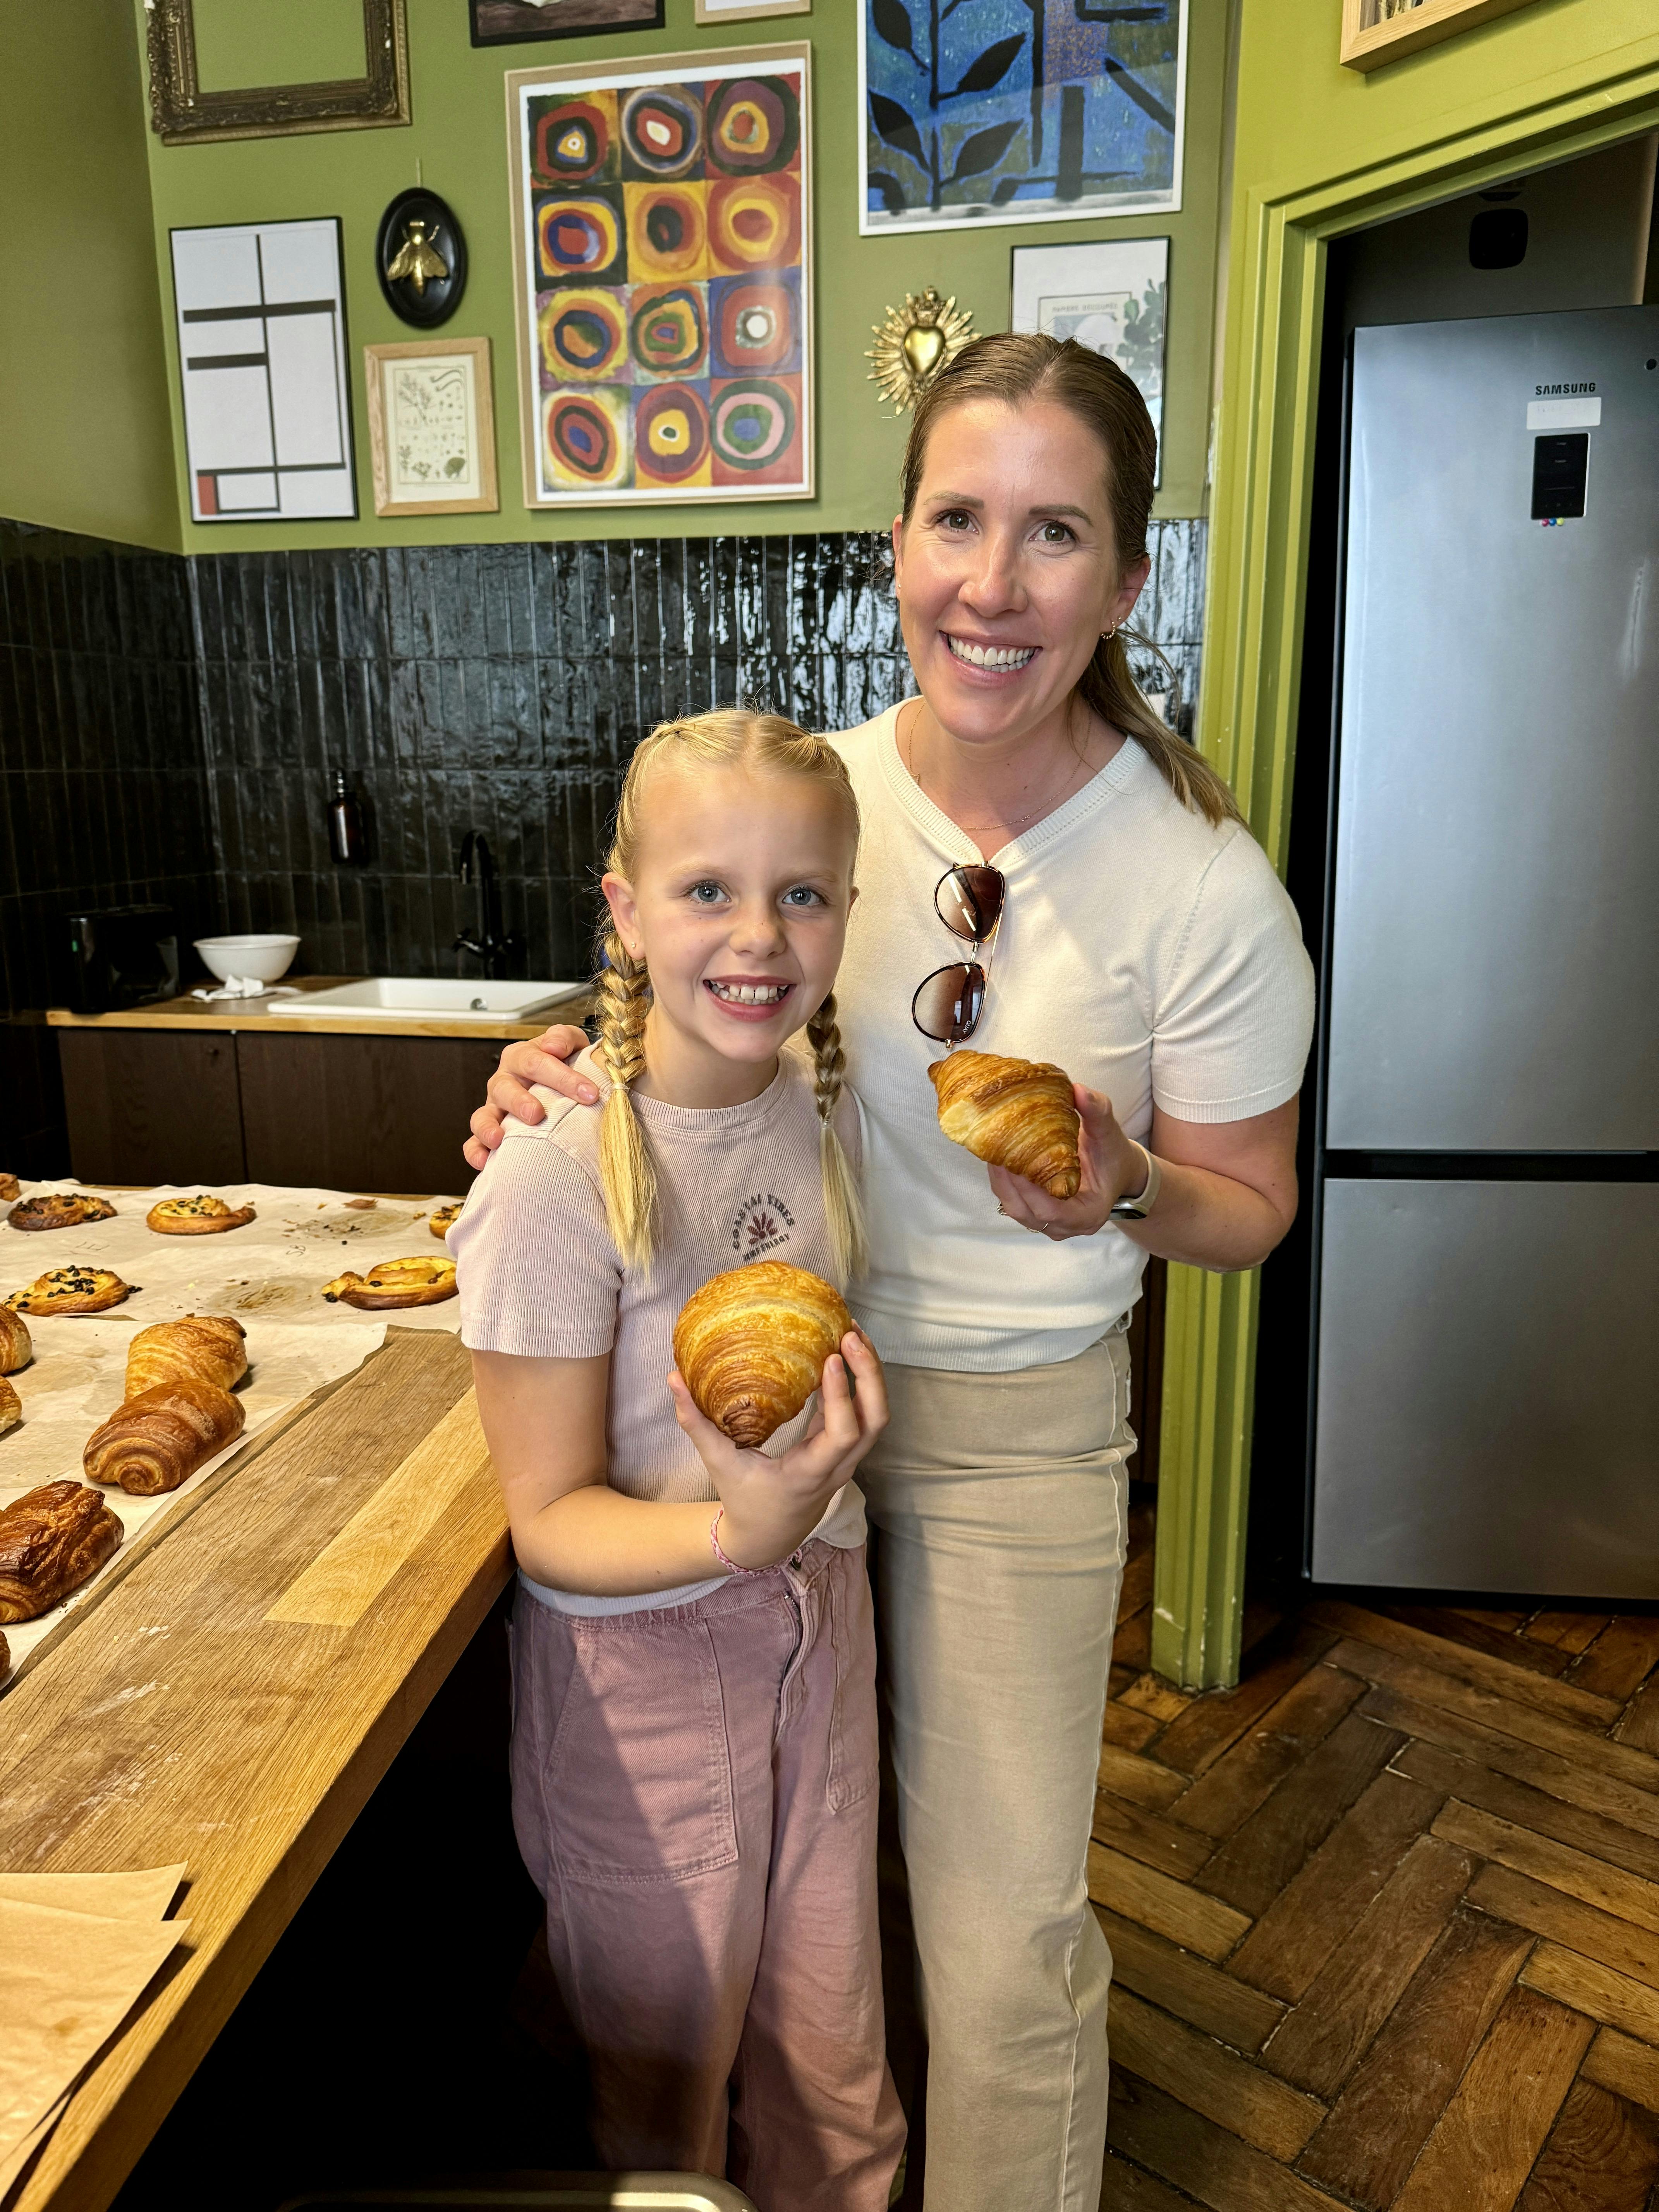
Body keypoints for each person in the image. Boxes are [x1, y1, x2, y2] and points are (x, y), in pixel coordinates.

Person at [464, 337, 1317, 2212]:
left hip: (1015, 1442)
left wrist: (1125, 1182)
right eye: (957, 520)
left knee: (1003, 1937)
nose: (993, 585)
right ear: (898, 543)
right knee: (813, 1932)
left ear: (1124, 581)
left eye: (1055, 535)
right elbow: (689, 1025)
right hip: (761, 1434)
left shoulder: (1200, 881)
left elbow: (1251, 1207)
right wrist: (548, 1056)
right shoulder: (812, 815)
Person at [452, 709, 904, 2211]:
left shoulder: (812, 1105)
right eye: (708, 888)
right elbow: (546, 1525)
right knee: (663, 2097)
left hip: (820, 1639)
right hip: (639, 1691)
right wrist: (739, 1534)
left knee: (835, 2067)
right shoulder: (554, 1172)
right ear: (625, 911)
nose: (759, 935)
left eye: (804, 892)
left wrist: (787, 1538)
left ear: (849, 908)